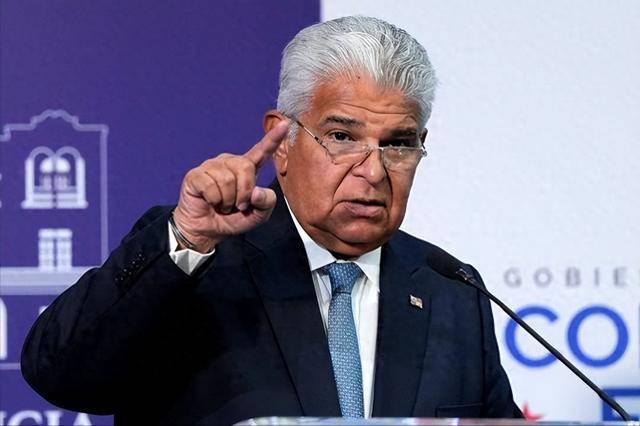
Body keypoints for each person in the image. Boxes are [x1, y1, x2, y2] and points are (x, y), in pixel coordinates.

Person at [22, 16, 523, 425]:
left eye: (398, 144)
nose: (373, 171)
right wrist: (187, 238)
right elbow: (59, 373)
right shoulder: (197, 262)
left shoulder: (451, 290)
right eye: (342, 137)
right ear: (283, 141)